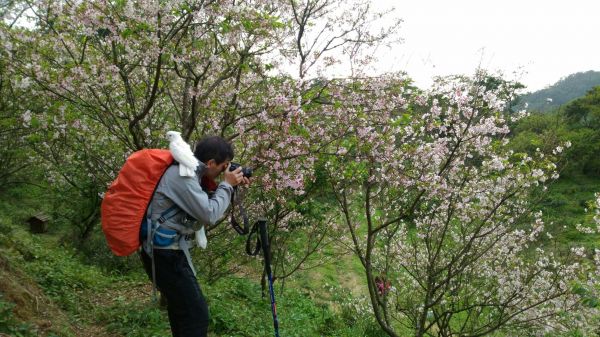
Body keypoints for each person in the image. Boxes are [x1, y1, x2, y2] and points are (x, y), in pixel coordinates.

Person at [140, 135, 249, 337]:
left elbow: (201, 203)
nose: (224, 171)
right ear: (210, 163)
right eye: (223, 166)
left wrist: (231, 185)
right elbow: (209, 214)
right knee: (196, 315)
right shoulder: (183, 176)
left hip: (165, 252)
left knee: (181, 310)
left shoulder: (190, 173)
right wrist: (226, 184)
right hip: (165, 255)